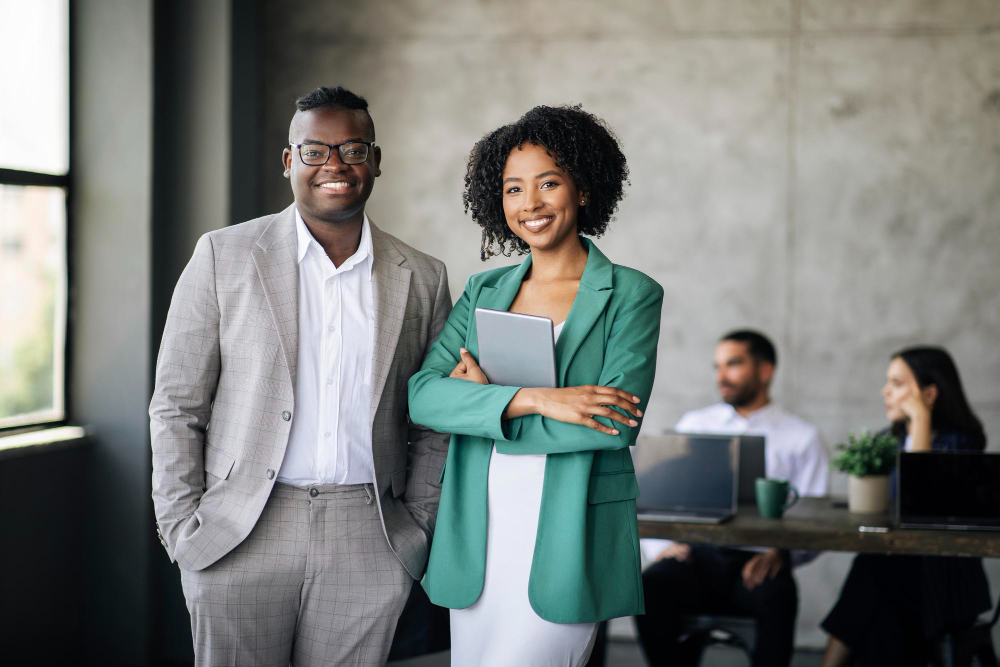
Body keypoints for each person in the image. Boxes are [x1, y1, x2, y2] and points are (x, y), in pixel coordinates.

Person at [149, 86, 452, 666]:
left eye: (352, 149)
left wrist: (417, 525)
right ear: (290, 162)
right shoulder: (223, 255)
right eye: (314, 151)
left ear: (376, 161)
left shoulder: (424, 277)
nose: (334, 165)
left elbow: (434, 415)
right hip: (239, 529)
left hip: (369, 532)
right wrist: (181, 527)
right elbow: (177, 404)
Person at [407, 104, 663, 667]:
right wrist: (540, 398)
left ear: (584, 189)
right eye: (513, 189)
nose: (531, 204)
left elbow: (613, 424)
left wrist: (480, 407)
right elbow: (423, 396)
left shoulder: (631, 294)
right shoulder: (484, 290)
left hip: (570, 531)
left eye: (549, 183)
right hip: (478, 526)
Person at [636, 330, 829, 667]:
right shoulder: (694, 424)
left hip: (756, 563)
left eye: (733, 364)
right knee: (650, 585)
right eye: (717, 366)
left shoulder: (802, 437)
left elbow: (813, 516)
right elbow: (659, 496)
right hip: (694, 557)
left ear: (765, 370)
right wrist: (660, 547)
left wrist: (782, 554)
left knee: (779, 593)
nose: (721, 376)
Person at [821, 346, 991, 667]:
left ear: (929, 394)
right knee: (882, 596)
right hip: (900, 575)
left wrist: (922, 421)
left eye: (897, 383)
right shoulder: (890, 439)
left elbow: (921, 507)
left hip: (947, 580)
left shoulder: (961, 442)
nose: (885, 391)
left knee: (876, 575)